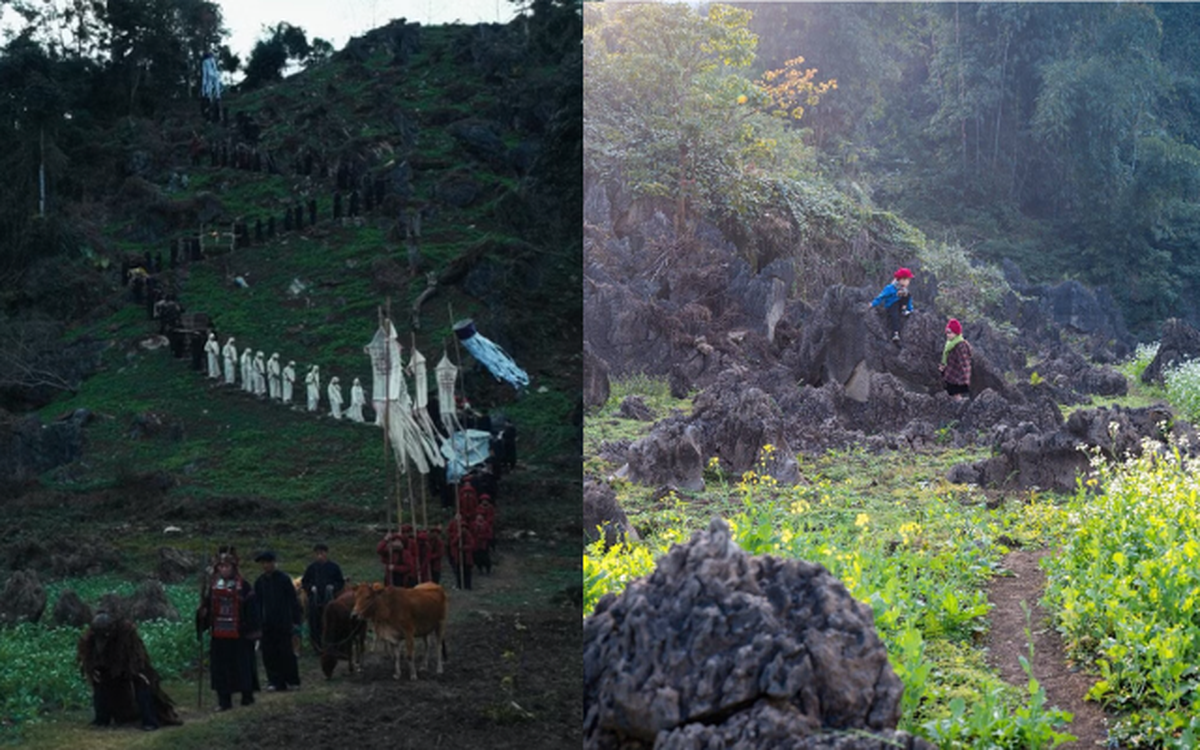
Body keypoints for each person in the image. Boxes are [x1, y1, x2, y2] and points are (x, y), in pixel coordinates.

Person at [77, 612, 181, 731]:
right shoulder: (91, 638)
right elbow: (87, 657)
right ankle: (101, 719)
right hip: (108, 666)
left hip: (130, 665)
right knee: (100, 685)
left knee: (143, 684)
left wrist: (134, 671)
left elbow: (137, 656)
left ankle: (150, 720)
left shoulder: (126, 633)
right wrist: (93, 669)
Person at [197, 554, 260, 712]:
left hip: (240, 635)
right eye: (221, 567)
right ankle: (224, 700)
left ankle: (247, 695)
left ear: (233, 568)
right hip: (219, 635)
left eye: (227, 567)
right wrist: (202, 615)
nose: (224, 570)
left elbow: (252, 609)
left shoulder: (244, 586)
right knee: (221, 669)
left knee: (242, 666)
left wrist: (249, 628)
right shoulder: (213, 587)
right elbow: (207, 608)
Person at [252, 551, 302, 692]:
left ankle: (292, 680)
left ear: (274, 563)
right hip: (266, 624)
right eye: (263, 563)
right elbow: (256, 604)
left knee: (286, 652)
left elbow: (293, 601)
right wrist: (257, 623)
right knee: (269, 654)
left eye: (268, 562)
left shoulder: (284, 579)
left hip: (283, 623)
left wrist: (295, 621)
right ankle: (274, 681)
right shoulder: (260, 582)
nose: (266, 566)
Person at [299, 543, 345, 653]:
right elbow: (305, 582)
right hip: (315, 600)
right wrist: (311, 588)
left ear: (326, 554)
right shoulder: (311, 568)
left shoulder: (334, 567)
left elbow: (340, 582)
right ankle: (317, 646)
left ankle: (332, 644)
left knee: (331, 622)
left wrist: (333, 587)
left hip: (330, 600)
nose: (320, 556)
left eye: (322, 553)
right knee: (315, 623)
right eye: (317, 553)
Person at [870, 267, 915, 344]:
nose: (908, 282)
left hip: (900, 306)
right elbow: (882, 296)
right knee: (895, 316)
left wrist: (911, 310)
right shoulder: (890, 288)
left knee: (907, 295)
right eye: (908, 280)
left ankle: (904, 311)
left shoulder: (904, 290)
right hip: (891, 306)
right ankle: (895, 333)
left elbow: (908, 300)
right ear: (902, 280)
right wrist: (873, 304)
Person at [940, 318, 972, 400]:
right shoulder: (950, 344)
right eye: (947, 332)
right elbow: (948, 359)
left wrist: (964, 379)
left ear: (956, 333)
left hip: (957, 377)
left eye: (950, 333)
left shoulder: (960, 345)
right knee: (951, 393)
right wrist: (943, 367)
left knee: (956, 395)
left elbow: (965, 363)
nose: (948, 335)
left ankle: (960, 407)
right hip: (951, 374)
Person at [446, 512, 474, 590]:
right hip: (458, 556)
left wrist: (463, 548)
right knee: (458, 571)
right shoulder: (458, 535)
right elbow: (453, 543)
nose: (463, 529)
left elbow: (471, 545)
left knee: (467, 572)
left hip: (467, 556)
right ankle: (459, 585)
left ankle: (468, 586)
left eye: (464, 527)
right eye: (461, 527)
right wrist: (458, 537)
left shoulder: (468, 535)